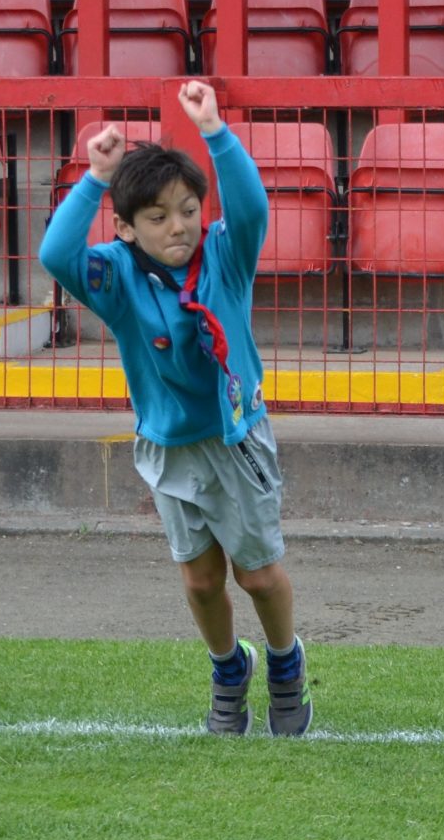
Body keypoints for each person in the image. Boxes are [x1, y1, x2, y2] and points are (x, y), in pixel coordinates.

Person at [38, 81, 311, 736]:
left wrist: (215, 131)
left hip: (234, 437)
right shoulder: (114, 273)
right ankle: (227, 669)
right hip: (167, 444)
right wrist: (98, 177)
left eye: (187, 209)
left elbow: (250, 207)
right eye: (158, 216)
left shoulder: (225, 253)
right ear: (127, 228)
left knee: (259, 574)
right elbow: (55, 254)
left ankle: (284, 665)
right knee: (200, 580)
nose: (179, 225)